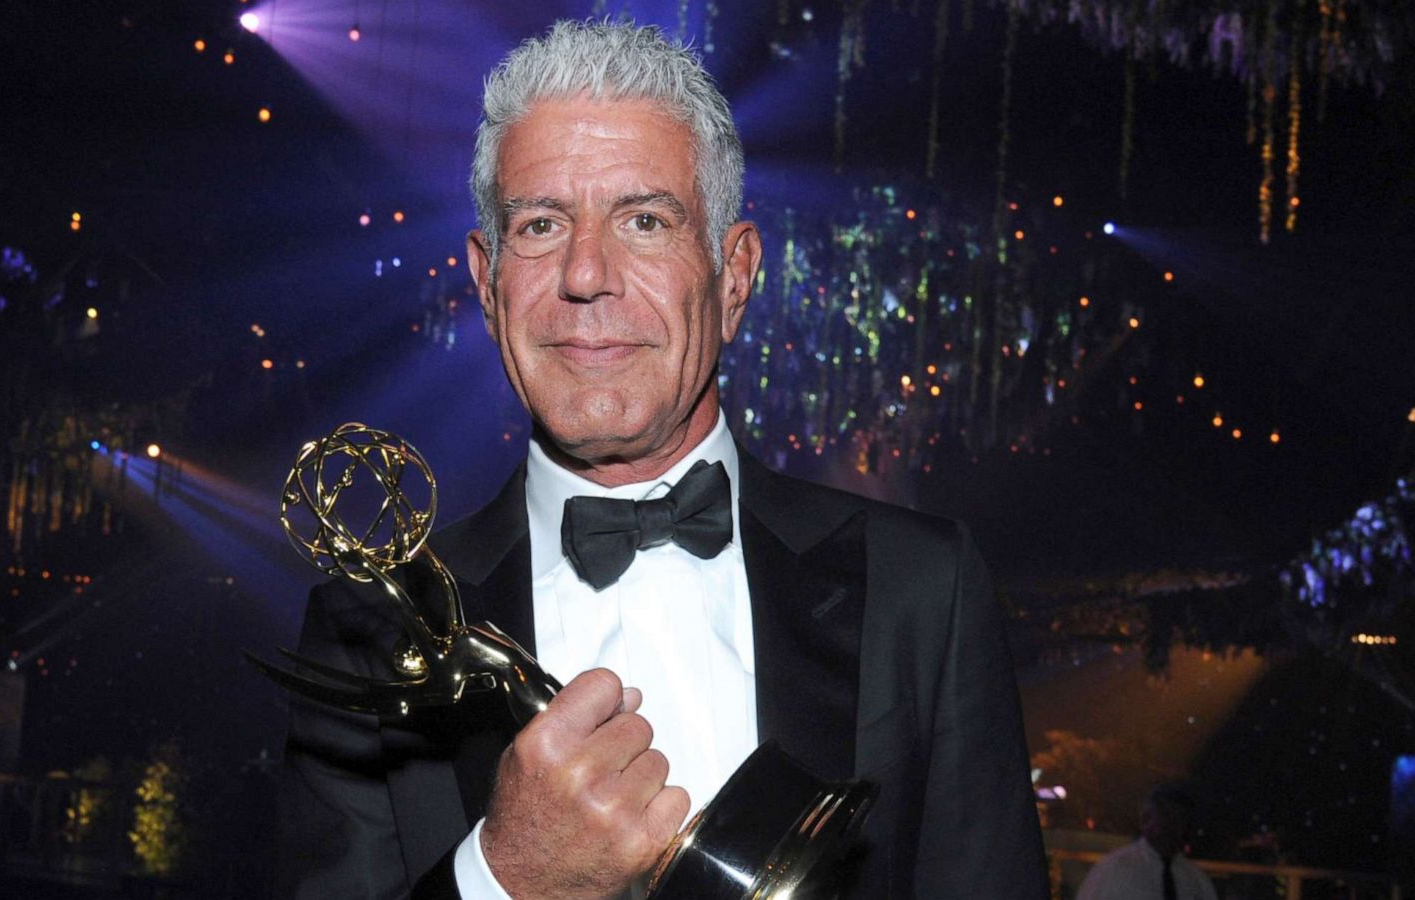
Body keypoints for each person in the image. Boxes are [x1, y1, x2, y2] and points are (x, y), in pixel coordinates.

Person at [275, 20, 1047, 900]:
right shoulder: (370, 628)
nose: (586, 273)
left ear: (735, 274)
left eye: (645, 219)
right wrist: (502, 877)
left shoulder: (923, 588)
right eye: (539, 224)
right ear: (487, 285)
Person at [1076, 786, 1217, 900]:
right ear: (1145, 820)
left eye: (1179, 819)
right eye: (1166, 816)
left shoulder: (1195, 879)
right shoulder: (1115, 869)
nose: (1172, 826)